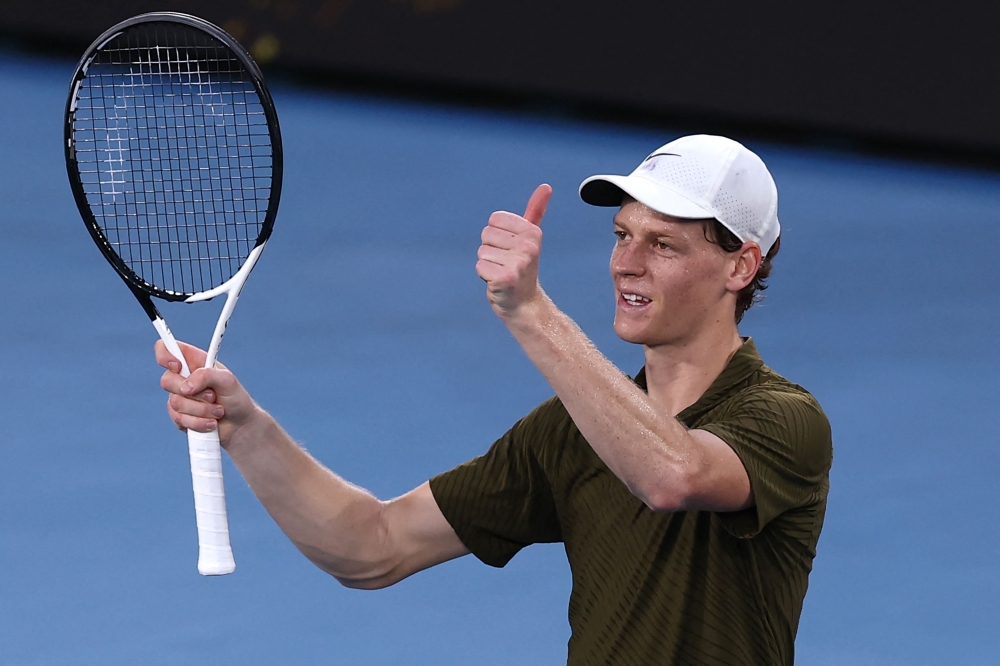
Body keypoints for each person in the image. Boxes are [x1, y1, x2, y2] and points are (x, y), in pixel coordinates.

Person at [157, 134, 832, 665]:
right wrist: (244, 425)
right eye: (623, 234)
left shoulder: (785, 421)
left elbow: (672, 475)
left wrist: (531, 311)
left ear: (740, 266)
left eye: (664, 245)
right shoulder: (570, 433)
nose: (626, 263)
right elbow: (373, 546)